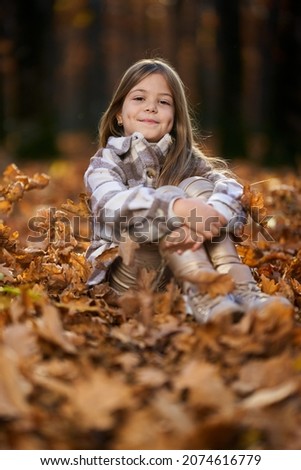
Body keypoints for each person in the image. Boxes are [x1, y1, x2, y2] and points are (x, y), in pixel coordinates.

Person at [84, 58, 293, 323]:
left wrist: (207, 216)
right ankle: (209, 298)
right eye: (139, 98)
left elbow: (232, 190)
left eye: (163, 102)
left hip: (175, 277)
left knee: (199, 187)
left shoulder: (187, 160)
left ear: (174, 117)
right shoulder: (105, 163)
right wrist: (176, 209)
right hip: (125, 277)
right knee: (173, 198)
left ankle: (242, 291)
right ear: (118, 114)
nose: (151, 106)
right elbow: (112, 205)